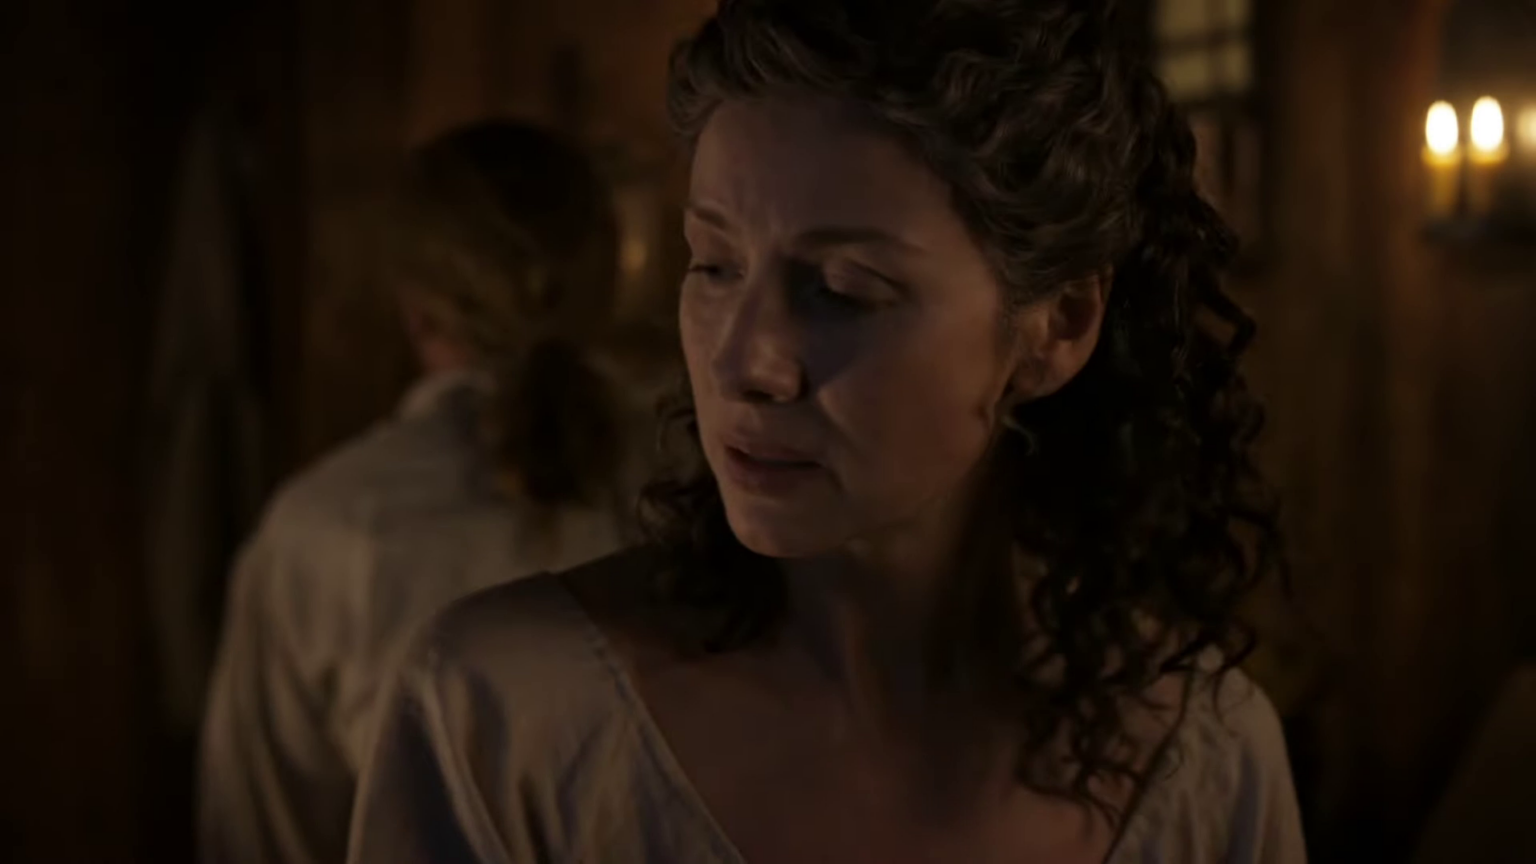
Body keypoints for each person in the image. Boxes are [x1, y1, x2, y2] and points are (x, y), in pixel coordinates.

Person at [347, 2, 1306, 862]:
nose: (745, 361)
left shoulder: (1203, 762)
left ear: (1056, 324)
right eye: (713, 265)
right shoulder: (504, 717)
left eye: (844, 290)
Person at [198, 120, 661, 864]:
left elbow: (256, 837)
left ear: (415, 306)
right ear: (606, 281)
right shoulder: (705, 489)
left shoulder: (327, 529)